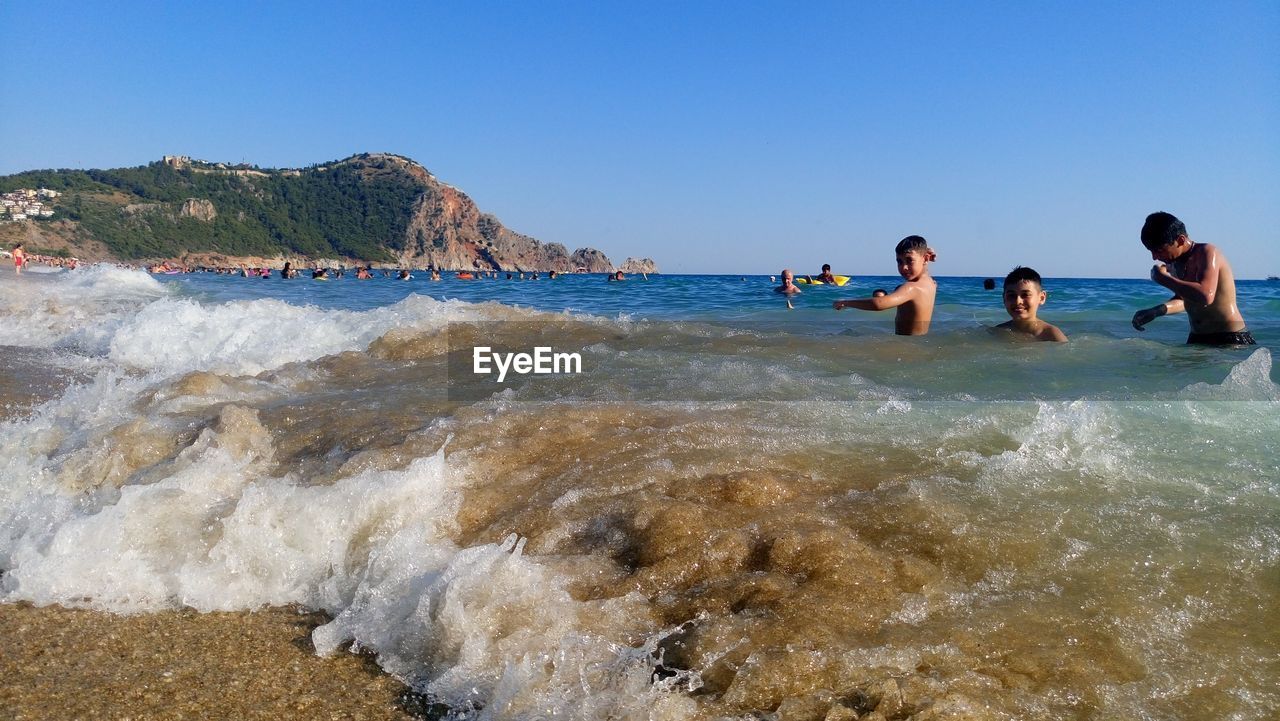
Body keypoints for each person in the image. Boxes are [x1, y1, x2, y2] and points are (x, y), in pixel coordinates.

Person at [1131, 212, 1252, 345]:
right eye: (1151, 251)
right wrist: (1155, 311)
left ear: (1181, 240)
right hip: (1196, 337)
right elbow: (1185, 300)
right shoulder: (1174, 262)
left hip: (1230, 337)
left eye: (1159, 250)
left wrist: (1163, 279)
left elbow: (1205, 296)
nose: (1154, 257)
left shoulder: (1207, 252)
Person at [833, 235, 937, 335]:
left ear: (925, 259)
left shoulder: (911, 288)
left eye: (909, 261)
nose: (904, 267)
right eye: (899, 262)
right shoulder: (931, 283)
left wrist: (846, 302)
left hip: (905, 346)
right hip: (919, 343)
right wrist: (926, 254)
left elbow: (879, 304)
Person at [995, 266, 1067, 342]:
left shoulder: (1051, 334)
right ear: (1004, 298)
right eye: (1012, 295)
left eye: (1025, 295)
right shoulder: (997, 332)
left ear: (1041, 298)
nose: (1018, 301)